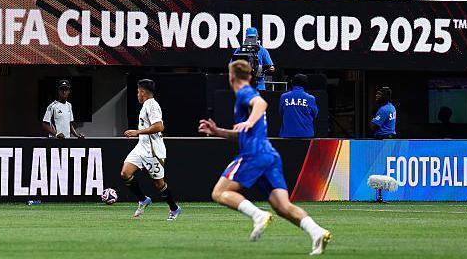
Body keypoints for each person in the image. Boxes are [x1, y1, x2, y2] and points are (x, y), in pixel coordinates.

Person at [198, 60, 331, 255]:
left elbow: (261, 103)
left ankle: (258, 215)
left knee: (219, 193)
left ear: (231, 76)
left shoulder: (244, 93)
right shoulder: (246, 95)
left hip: (254, 154)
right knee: (283, 206)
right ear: (251, 76)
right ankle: (317, 231)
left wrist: (250, 121)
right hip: (269, 155)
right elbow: (243, 132)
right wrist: (219, 131)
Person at [120, 79, 182, 221]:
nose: (137, 94)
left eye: (138, 91)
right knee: (125, 173)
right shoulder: (146, 106)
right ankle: (143, 199)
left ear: (143, 92)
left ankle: (174, 208)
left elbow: (159, 126)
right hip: (141, 147)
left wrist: (137, 132)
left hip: (153, 150)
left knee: (159, 184)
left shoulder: (152, 106)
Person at [278, 74, 317, 138]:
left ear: (292, 82)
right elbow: (315, 115)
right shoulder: (310, 98)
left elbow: (281, 113)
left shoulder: (284, 97)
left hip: (287, 134)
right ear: (305, 84)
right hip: (306, 134)